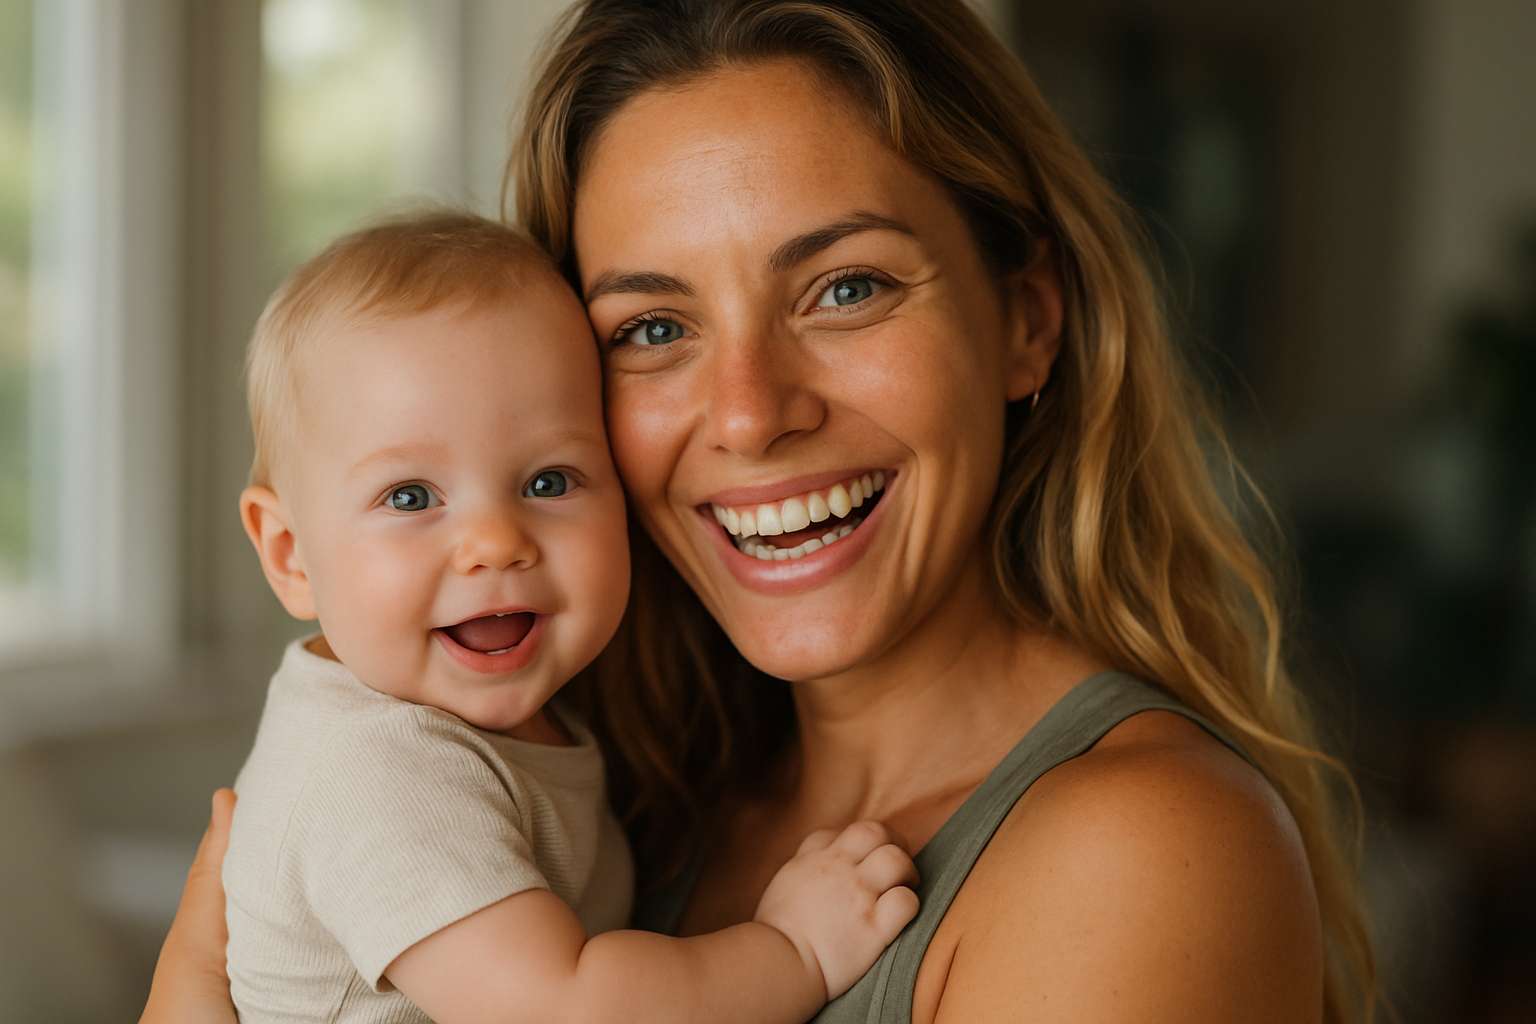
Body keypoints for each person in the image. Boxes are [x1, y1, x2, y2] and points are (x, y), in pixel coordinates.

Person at [141, 1, 1378, 1021]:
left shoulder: (1143, 853)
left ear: (1026, 320)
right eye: (655, 329)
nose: (747, 412)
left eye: (845, 287)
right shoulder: (618, 797)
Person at [219, 212, 918, 1024]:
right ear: (291, 555)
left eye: (549, 482)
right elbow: (566, 1008)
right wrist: (793, 952)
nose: (493, 544)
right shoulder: (375, 771)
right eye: (410, 497)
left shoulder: (504, 724)